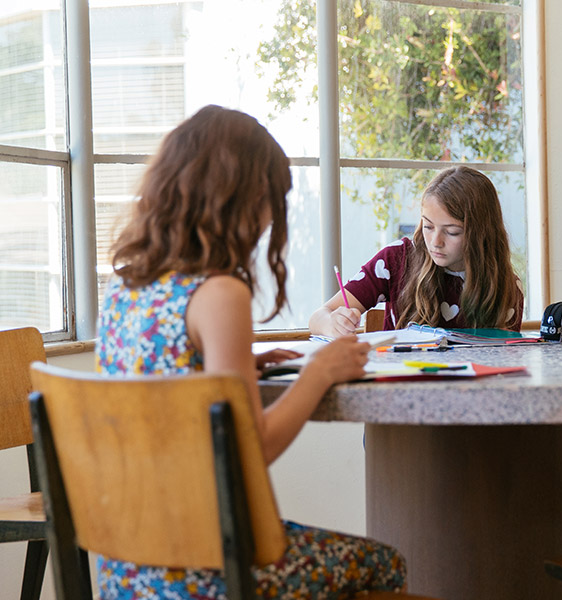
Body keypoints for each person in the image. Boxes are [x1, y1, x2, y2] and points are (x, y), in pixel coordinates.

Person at [95, 105, 406, 598]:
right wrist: (318, 372)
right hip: (208, 568)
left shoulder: (125, 287)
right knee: (385, 563)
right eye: (269, 203)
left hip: (127, 563)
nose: (267, 223)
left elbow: (169, 381)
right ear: (240, 199)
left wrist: (231, 364)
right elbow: (250, 450)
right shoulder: (219, 293)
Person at [309, 165, 524, 336]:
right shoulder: (396, 260)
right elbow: (319, 317)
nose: (435, 242)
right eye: (428, 226)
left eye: (451, 232)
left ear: (481, 234)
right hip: (397, 386)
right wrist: (332, 324)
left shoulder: (506, 286)